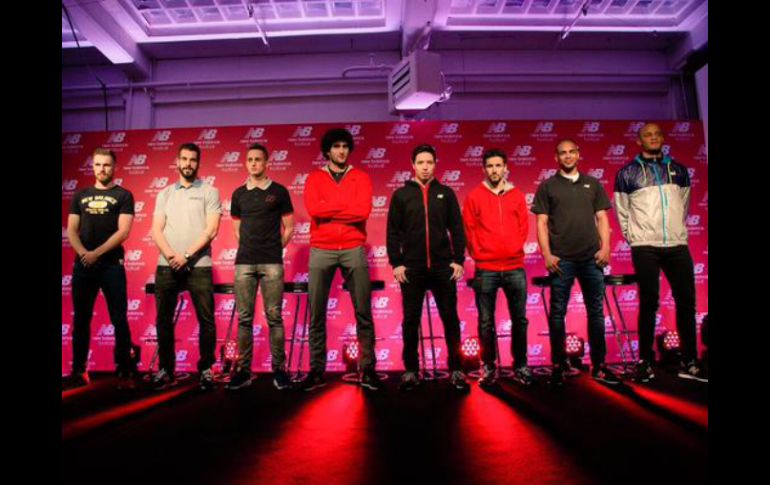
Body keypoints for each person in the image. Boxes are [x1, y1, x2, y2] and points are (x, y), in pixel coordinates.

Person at [614, 122, 707, 383]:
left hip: (676, 244)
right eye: (648, 135)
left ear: (663, 138)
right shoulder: (627, 172)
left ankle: (689, 360)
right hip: (645, 246)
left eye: (657, 134)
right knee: (649, 302)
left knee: (687, 302)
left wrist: (675, 230)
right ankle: (644, 361)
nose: (653, 138)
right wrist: (635, 238)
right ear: (639, 141)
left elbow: (684, 205)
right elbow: (622, 211)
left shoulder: (679, 170)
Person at [532, 139, 620, 386]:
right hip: (562, 260)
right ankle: (558, 364)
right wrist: (547, 254)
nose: (568, 156)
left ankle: (599, 365)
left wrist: (606, 248)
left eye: (572, 152)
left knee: (596, 312)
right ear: (556, 157)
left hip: (592, 258)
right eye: (563, 153)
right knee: (557, 313)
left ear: (578, 154)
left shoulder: (592, 183)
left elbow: (602, 217)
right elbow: (541, 223)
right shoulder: (548, 186)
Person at [299, 128, 381, 391]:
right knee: (317, 313)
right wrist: (344, 209)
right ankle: (317, 370)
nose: (341, 151)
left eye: (345, 146)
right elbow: (315, 210)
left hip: (353, 247)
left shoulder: (361, 177)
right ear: (327, 150)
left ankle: (368, 369)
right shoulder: (314, 178)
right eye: (336, 146)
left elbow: (362, 212)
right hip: (321, 249)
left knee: (363, 312)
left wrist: (330, 211)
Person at [387, 144, 469, 392]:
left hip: (443, 268)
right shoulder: (401, 195)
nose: (425, 167)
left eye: (429, 162)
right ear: (412, 165)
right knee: (411, 321)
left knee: (450, 319)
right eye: (420, 162)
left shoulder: (446, 193)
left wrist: (458, 259)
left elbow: (457, 228)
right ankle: (411, 371)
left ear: (435, 164)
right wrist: (397, 263)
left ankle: (456, 369)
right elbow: (393, 232)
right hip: (412, 269)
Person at [151, 143, 221, 391]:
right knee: (163, 320)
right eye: (184, 159)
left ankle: (206, 369)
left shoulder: (210, 191)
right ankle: (166, 369)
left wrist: (187, 256)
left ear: (198, 163)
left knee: (207, 320)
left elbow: (211, 230)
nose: (188, 164)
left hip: (198, 265)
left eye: (193, 160)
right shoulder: (165, 193)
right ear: (177, 161)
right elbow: (156, 229)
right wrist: (172, 256)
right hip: (167, 264)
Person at [65, 148, 138, 389]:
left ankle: (125, 372)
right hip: (84, 265)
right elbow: (71, 229)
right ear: (93, 166)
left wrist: (96, 253)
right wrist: (84, 253)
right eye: (98, 164)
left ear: (114, 167)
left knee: (119, 319)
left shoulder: (124, 195)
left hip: (111, 266)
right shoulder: (80, 195)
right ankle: (79, 371)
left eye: (106, 165)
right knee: (81, 319)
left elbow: (123, 232)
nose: (102, 169)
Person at [226, 143, 295, 391]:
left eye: (258, 159)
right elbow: (237, 229)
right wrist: (251, 246)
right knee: (244, 319)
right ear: (246, 163)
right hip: (244, 262)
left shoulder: (279, 191)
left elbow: (289, 227)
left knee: (274, 317)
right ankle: (243, 371)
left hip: (272, 262)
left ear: (267, 163)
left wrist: (274, 248)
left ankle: (280, 371)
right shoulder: (238, 194)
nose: (254, 163)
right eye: (250, 159)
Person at [463, 148, 532, 387]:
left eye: (498, 166)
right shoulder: (474, 196)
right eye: (490, 166)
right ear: (484, 169)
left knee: (520, 320)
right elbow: (469, 230)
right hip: (486, 268)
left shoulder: (517, 195)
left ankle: (520, 365)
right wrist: (480, 254)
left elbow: (523, 227)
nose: (494, 170)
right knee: (485, 322)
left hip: (514, 267)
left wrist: (513, 248)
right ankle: (489, 366)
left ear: (505, 168)